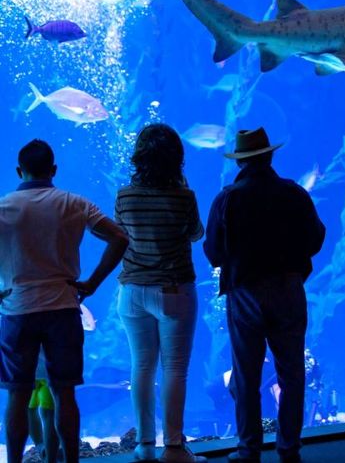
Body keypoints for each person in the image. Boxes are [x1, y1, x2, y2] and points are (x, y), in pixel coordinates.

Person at [0, 139, 129, 463]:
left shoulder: (4, 208)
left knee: (18, 393)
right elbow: (119, 237)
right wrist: (94, 282)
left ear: (19, 170)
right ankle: (70, 461)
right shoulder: (73, 203)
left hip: (18, 311)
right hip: (63, 307)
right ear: (54, 170)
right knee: (64, 392)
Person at [204, 128, 326, 463]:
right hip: (288, 287)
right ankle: (289, 449)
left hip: (244, 292)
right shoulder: (294, 194)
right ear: (270, 155)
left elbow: (213, 251)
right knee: (291, 372)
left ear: (240, 160)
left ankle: (249, 450)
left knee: (246, 374)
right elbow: (316, 239)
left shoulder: (228, 198)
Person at [115, 124, 206, 463]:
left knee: (141, 366)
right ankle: (173, 446)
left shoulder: (124, 196)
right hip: (173, 290)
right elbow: (196, 234)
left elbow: (121, 234)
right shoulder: (184, 197)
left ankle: (143, 445)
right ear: (176, 159)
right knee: (175, 369)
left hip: (133, 290)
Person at [27, 351, 58, 463]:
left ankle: (40, 446)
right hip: (50, 372)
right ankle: (50, 457)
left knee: (30, 410)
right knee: (50, 415)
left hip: (26, 371)